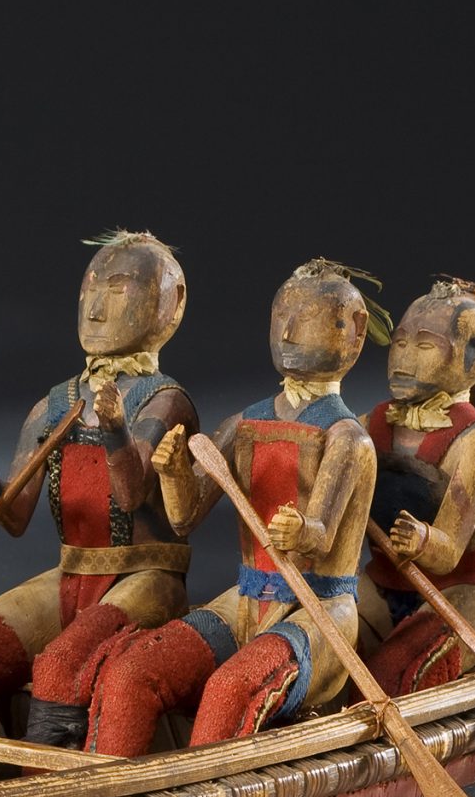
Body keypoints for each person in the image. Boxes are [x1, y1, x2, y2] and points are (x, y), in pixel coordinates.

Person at [0, 230, 199, 786]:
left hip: (147, 576)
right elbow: (15, 518)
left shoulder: (164, 399)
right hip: (72, 573)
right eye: (89, 286)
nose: (95, 303)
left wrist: (113, 429)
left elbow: (134, 495)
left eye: (118, 287)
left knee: (64, 668)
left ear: (170, 303)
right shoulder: (54, 404)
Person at [80, 259, 382, 754]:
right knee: (134, 670)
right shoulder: (242, 424)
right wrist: (177, 473)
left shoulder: (348, 439)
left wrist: (299, 529)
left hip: (321, 611)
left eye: (303, 315)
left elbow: (320, 537)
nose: (286, 328)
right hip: (245, 599)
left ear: (352, 330)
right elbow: (183, 516)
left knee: (230, 690)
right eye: (280, 313)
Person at [357, 281, 475, 691]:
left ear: (472, 354)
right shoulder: (367, 426)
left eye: (424, 347)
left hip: (465, 595)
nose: (402, 360)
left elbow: (447, 553)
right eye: (399, 344)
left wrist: (425, 538)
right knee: (321, 647)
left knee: (392, 678)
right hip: (383, 581)